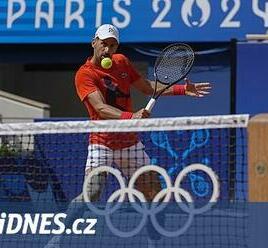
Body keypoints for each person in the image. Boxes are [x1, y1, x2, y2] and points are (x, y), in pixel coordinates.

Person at [44, 24, 211, 247]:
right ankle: (58, 238)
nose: (108, 49)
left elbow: (147, 87)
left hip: (130, 143)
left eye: (112, 45)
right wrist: (131, 116)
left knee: (155, 194)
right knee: (91, 193)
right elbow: (101, 108)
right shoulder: (85, 74)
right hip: (102, 142)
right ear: (94, 42)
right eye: (104, 43)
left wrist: (181, 89)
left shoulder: (122, 62)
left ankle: (154, 242)